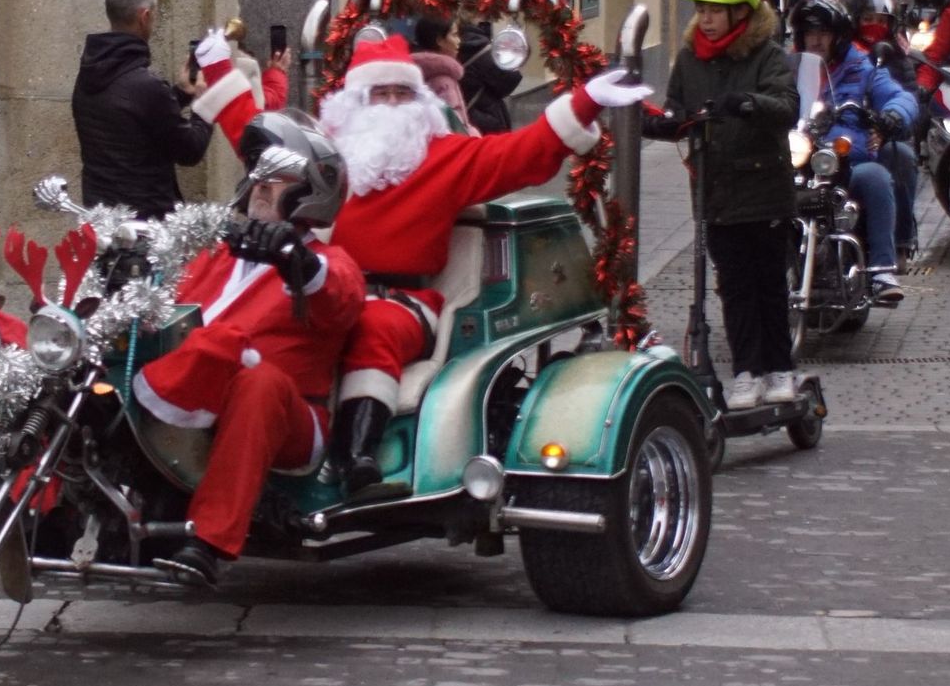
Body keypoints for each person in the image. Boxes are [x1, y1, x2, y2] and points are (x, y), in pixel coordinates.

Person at [191, 30, 647, 493]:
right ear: (354, 101)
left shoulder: (446, 156)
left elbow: (520, 153)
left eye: (402, 93)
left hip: (400, 297)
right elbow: (257, 143)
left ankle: (355, 451)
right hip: (318, 285)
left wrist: (585, 101)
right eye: (378, 93)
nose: (390, 105)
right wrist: (217, 68)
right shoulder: (327, 154)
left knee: (372, 326)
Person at [145, 111, 362, 586]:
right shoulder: (216, 255)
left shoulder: (330, 261)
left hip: (290, 419)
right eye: (258, 173)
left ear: (311, 192)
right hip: (200, 389)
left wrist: (294, 258)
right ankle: (47, 511)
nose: (262, 186)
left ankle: (209, 542)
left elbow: (338, 297)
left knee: (259, 382)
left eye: (279, 177)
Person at [643, 0, 799, 410]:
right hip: (714, 192)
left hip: (764, 191)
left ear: (740, 12)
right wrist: (659, 122)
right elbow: (677, 110)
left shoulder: (767, 55)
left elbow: (786, 105)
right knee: (733, 286)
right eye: (701, 11)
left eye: (714, 10)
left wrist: (747, 103)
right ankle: (748, 371)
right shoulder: (690, 60)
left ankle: (780, 369)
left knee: (768, 282)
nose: (705, 20)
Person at [71, 0, 214, 219]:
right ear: (144, 17)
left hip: (102, 221)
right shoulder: (147, 87)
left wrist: (180, 94)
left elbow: (135, 122)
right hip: (145, 228)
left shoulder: (87, 76)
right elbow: (190, 151)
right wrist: (206, 103)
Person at [802, 0, 917, 292]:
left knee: (876, 176)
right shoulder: (786, 69)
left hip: (847, 162)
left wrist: (893, 115)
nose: (815, 41)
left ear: (837, 36)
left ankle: (881, 269)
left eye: (822, 33)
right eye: (809, 33)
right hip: (799, 160)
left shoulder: (860, 67)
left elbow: (899, 95)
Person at [411, 14, 477, 135]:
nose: (459, 41)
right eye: (455, 35)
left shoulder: (414, 74)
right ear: (440, 41)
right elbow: (455, 126)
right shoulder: (443, 81)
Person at [457, 21, 521, 135]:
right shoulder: (480, 49)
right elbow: (508, 82)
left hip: (465, 117)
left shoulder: (448, 51)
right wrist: (513, 62)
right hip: (486, 119)